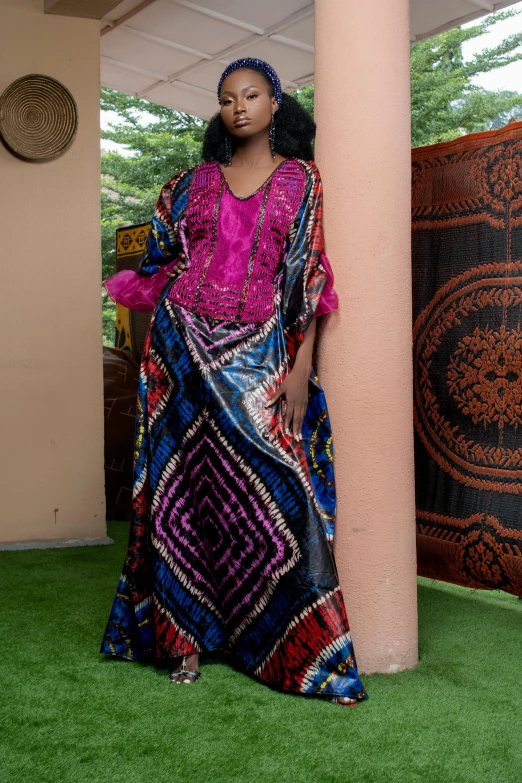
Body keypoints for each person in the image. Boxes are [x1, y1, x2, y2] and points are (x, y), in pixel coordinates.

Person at [100, 57, 368, 707]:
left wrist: (300, 366)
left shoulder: (302, 181)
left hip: (258, 356)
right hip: (179, 354)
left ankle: (308, 656)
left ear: (276, 104)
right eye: (226, 97)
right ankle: (181, 638)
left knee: (283, 494)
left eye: (251, 95)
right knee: (178, 498)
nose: (239, 106)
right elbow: (155, 263)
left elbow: (305, 276)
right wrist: (155, 342)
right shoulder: (186, 184)